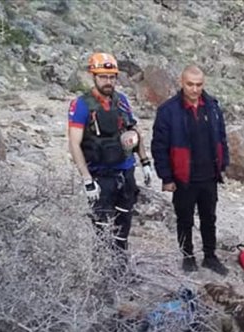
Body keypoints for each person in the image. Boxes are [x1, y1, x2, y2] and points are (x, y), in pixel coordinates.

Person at [67, 52, 152, 255]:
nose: (108, 81)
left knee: (123, 226)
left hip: (125, 171)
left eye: (112, 77)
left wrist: (145, 162)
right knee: (102, 229)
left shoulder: (121, 101)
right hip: (100, 175)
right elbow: (74, 144)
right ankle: (102, 269)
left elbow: (133, 130)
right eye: (103, 77)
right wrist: (87, 180)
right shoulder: (81, 105)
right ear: (94, 76)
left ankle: (120, 266)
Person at [152, 65, 230, 274]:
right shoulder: (168, 111)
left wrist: (223, 165)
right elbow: (159, 147)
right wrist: (166, 177)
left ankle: (210, 256)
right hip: (182, 177)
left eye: (199, 84)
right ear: (182, 82)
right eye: (190, 84)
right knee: (184, 219)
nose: (195, 89)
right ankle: (188, 256)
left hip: (209, 175)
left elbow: (221, 137)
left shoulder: (212, 106)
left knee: (209, 218)